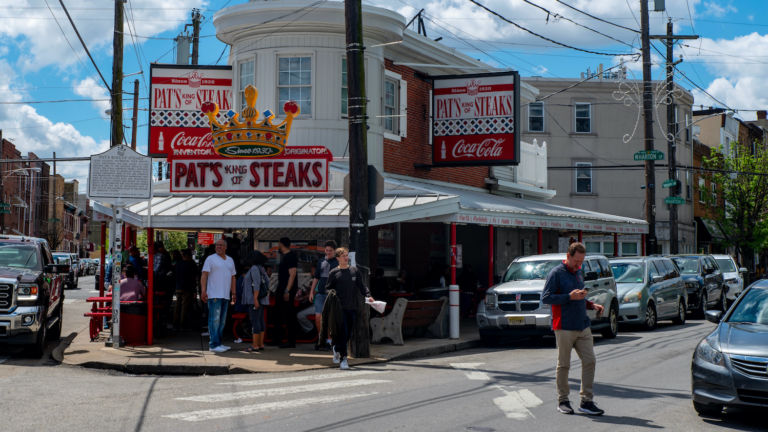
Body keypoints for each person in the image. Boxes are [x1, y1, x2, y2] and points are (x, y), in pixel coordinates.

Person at [542, 242, 605, 416]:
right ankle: (563, 400)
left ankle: (587, 401)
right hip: (564, 326)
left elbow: (579, 296)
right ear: (568, 256)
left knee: (590, 360)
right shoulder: (556, 273)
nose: (579, 265)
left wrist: (591, 305)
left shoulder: (578, 272)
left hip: (582, 325)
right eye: (577, 261)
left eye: (581, 262)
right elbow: (546, 298)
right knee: (564, 365)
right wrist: (568, 297)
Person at [325, 247, 373, 370]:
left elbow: (362, 287)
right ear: (337, 258)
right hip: (338, 309)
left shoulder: (354, 271)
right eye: (343, 256)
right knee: (343, 332)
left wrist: (369, 296)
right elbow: (328, 288)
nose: (346, 258)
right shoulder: (333, 272)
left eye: (347, 255)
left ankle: (336, 347)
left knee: (348, 334)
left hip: (352, 307)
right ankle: (343, 359)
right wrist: (332, 296)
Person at [200, 239, 237, 353]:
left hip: (225, 295)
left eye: (221, 245)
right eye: (217, 245)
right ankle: (213, 345)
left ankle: (219, 343)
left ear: (226, 247)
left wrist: (234, 293)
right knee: (214, 320)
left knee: (222, 321)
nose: (218, 247)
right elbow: (204, 275)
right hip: (214, 294)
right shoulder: (210, 259)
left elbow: (233, 278)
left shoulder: (230, 260)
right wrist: (203, 290)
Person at [309, 240, 338, 349]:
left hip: (331, 294)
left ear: (334, 251)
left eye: (330, 251)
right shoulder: (321, 261)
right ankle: (321, 339)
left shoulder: (338, 262)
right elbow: (316, 277)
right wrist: (311, 292)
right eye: (326, 250)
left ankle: (330, 341)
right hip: (320, 294)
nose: (328, 252)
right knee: (318, 317)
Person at [275, 237, 299, 348]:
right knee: (279, 314)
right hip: (282, 289)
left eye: (279, 243)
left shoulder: (291, 256)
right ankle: (278, 339)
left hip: (287, 290)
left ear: (281, 244)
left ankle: (291, 341)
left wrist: (287, 290)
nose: (278, 245)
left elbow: (292, 274)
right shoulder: (285, 256)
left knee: (289, 315)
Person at [173, 249, 198, 330]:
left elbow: (174, 275)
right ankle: (182, 324)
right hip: (187, 288)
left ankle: (175, 322)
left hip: (178, 287)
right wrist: (194, 290)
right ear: (188, 255)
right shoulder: (192, 264)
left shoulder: (178, 264)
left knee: (177, 305)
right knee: (184, 306)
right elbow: (194, 277)